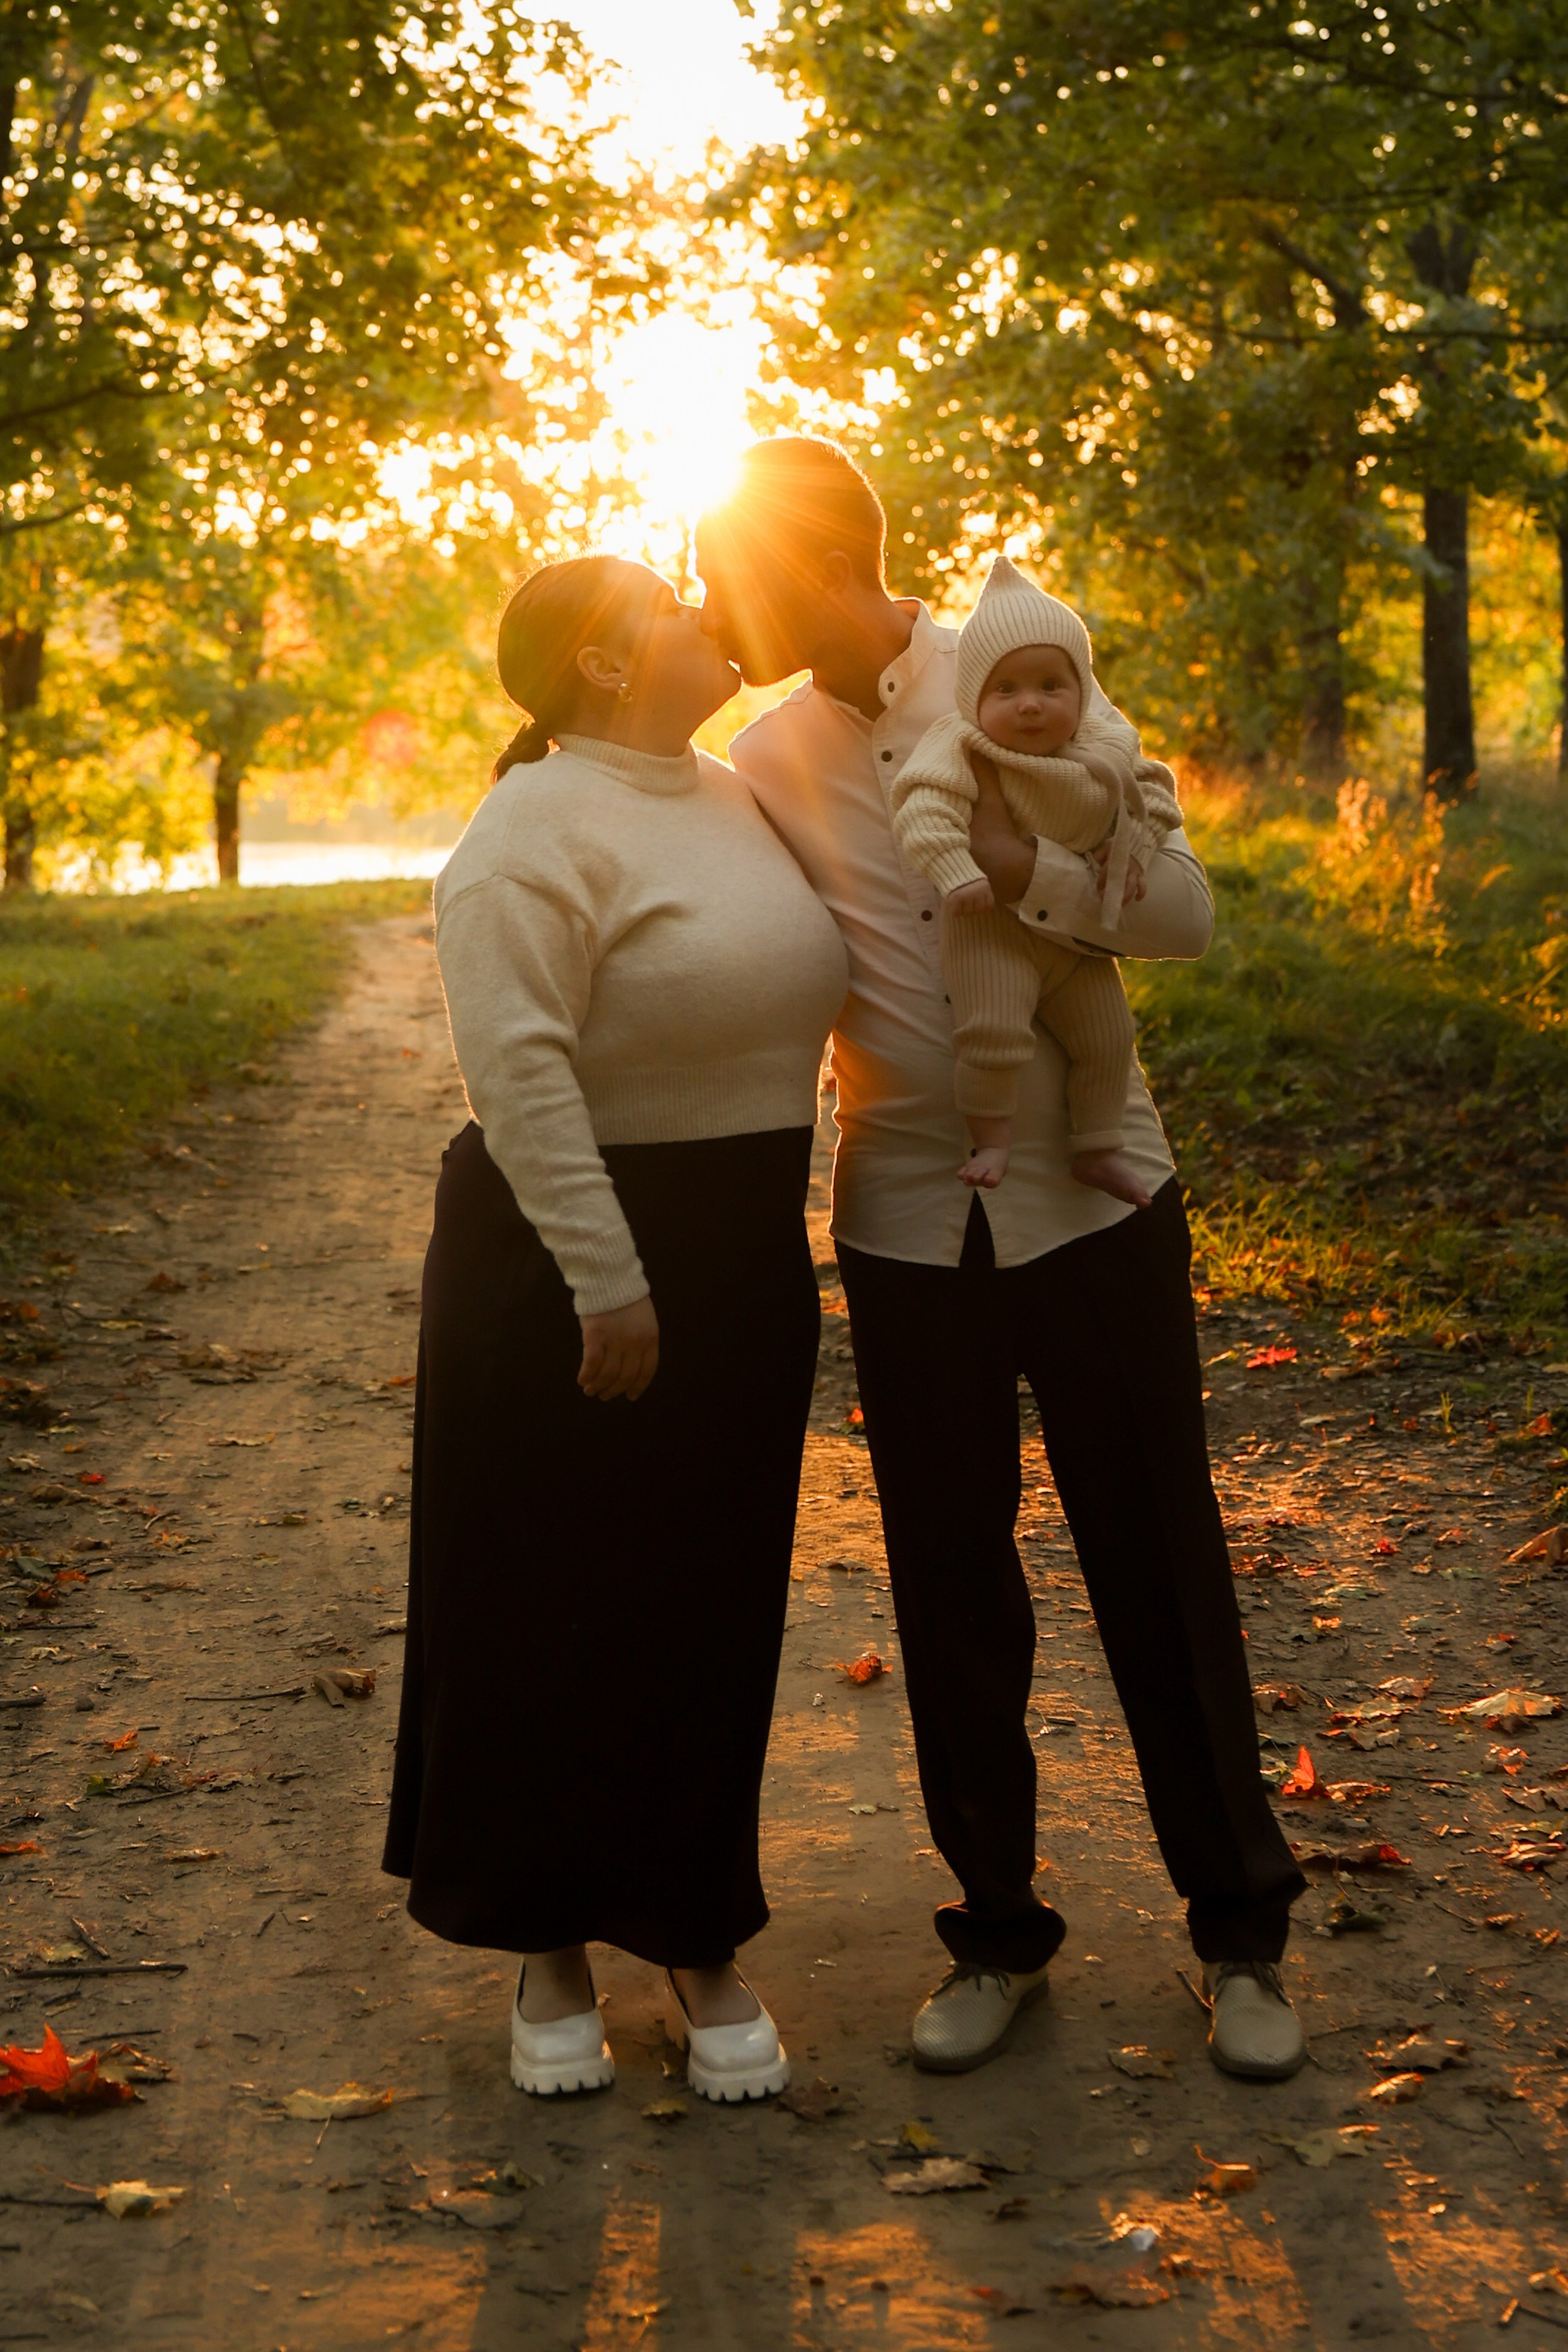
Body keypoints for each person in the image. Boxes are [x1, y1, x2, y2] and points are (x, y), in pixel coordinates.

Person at [695, 440, 1308, 2082]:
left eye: (738, 587)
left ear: (826, 566)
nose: (722, 621)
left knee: (1158, 1564)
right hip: (903, 1219)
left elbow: (1177, 913)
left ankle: (1242, 1932)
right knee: (951, 1584)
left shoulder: (1020, 667)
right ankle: (997, 1933)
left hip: (1096, 1204)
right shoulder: (760, 754)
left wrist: (1020, 873)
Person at [383, 555, 849, 2104]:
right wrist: (607, 1279)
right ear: (597, 660)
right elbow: (515, 1074)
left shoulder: (729, 796)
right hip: (564, 1262)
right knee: (543, 1611)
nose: (714, 614)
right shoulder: (526, 834)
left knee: (704, 1608)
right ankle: (550, 1945)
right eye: (670, 601)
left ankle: (696, 1933)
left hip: (736, 1258)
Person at [889, 554, 1180, 1198]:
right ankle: (992, 1138)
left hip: (1075, 943)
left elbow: (1155, 794)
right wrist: (956, 869)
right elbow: (923, 807)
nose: (1030, 705)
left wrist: (1132, 851)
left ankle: (1098, 1147)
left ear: (1082, 691)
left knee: (1108, 1038)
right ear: (973, 699)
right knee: (991, 1034)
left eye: (1052, 686)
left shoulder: (1101, 751)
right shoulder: (961, 744)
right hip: (988, 924)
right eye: (1007, 689)